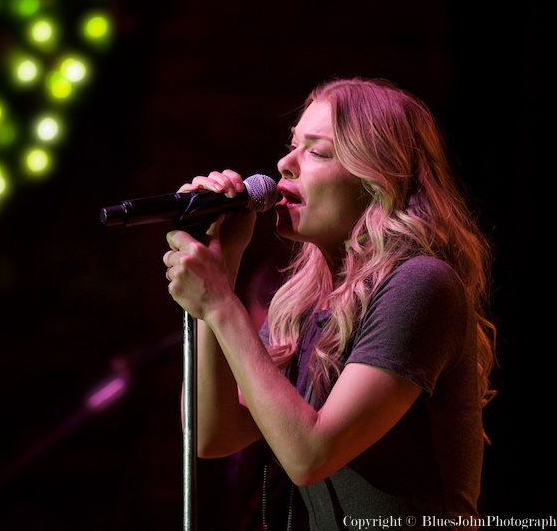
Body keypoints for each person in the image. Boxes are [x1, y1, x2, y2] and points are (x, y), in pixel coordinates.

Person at [162, 76, 497, 529]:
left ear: (379, 180)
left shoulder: (421, 284)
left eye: (317, 152)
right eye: (292, 145)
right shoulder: (303, 303)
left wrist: (221, 303)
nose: (284, 163)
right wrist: (224, 271)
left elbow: (309, 455)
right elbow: (210, 436)